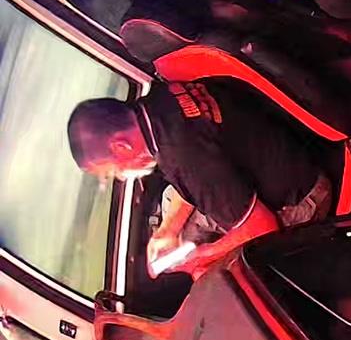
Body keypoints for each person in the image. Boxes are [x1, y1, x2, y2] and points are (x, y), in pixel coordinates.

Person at [67, 82, 331, 279]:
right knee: (172, 202)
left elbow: (264, 228)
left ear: (121, 147)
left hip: (303, 199)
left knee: (216, 277)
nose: (120, 177)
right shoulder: (161, 99)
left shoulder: (184, 157)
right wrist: (168, 231)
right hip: (282, 153)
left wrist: (204, 256)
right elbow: (195, 178)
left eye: (113, 171)